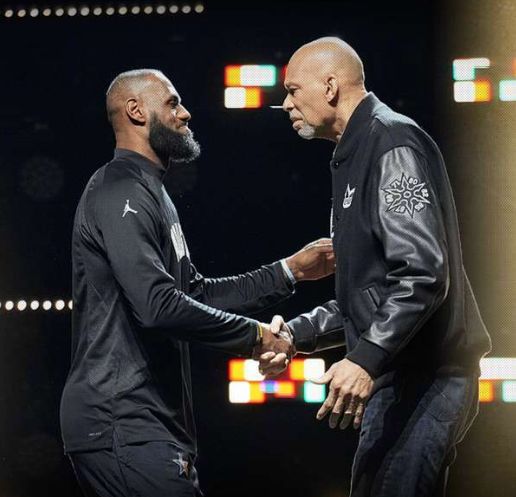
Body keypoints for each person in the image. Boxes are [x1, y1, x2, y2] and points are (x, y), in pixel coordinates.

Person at [59, 68, 330, 497]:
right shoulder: (119, 189)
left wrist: (289, 270)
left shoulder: (151, 191)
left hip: (147, 427)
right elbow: (157, 306)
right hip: (121, 422)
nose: (185, 114)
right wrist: (257, 337)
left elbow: (194, 295)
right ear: (136, 111)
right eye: (172, 103)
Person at [259, 38, 492, 497]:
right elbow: (369, 294)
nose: (284, 103)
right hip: (403, 376)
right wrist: (296, 336)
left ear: (330, 86)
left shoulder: (390, 143)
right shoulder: (358, 152)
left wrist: (364, 358)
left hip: (426, 378)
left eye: (292, 90)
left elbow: (422, 274)